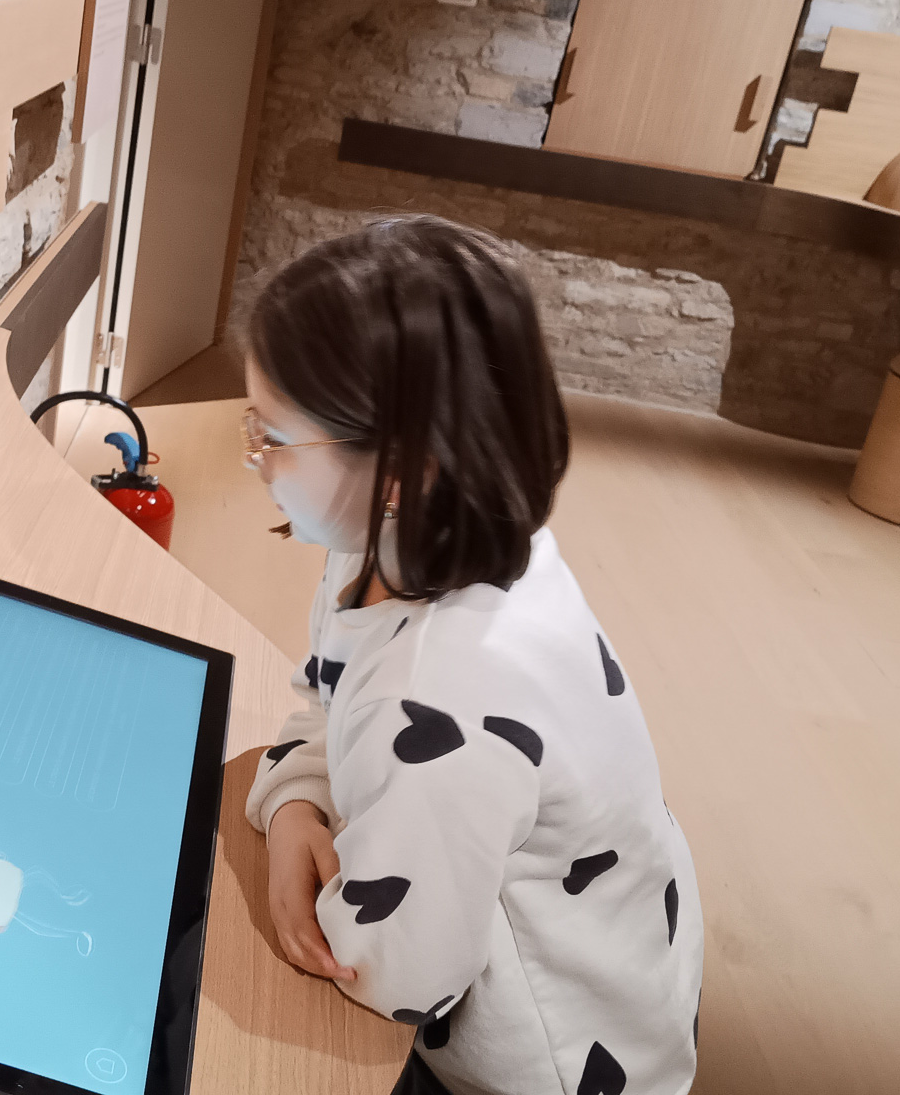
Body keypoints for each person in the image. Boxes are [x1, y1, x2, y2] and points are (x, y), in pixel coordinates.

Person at [240, 215, 702, 1095]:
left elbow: (391, 972)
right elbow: (327, 701)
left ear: (401, 471)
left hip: (539, 1068)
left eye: (273, 437)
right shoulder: (418, 542)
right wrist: (297, 800)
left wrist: (287, 839)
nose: (253, 460)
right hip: (618, 979)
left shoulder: (441, 688)